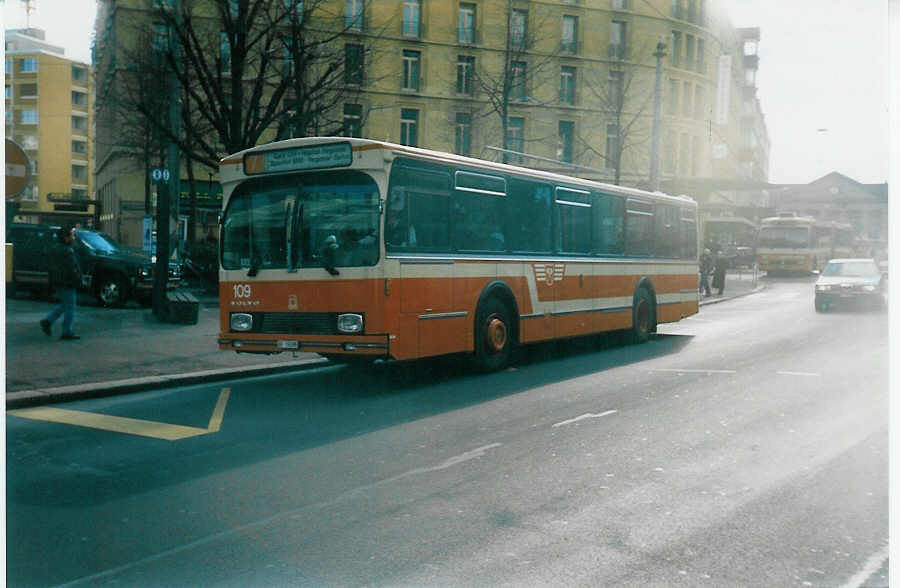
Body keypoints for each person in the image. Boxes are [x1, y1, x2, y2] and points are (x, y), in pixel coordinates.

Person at [40, 226, 83, 340]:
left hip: (58, 281)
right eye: (72, 235)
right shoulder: (67, 251)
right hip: (67, 282)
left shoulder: (56, 249)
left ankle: (48, 321)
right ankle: (66, 331)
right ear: (66, 238)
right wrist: (78, 279)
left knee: (65, 304)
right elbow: (72, 268)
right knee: (70, 306)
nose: (74, 238)